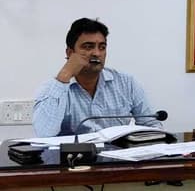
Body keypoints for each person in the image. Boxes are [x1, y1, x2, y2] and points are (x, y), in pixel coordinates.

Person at [33, 18, 163, 137]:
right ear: (70, 53)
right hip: (73, 154)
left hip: (117, 154)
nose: (96, 53)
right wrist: (65, 74)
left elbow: (152, 125)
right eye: (88, 47)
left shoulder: (127, 83)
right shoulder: (52, 89)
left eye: (102, 47)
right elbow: (44, 134)